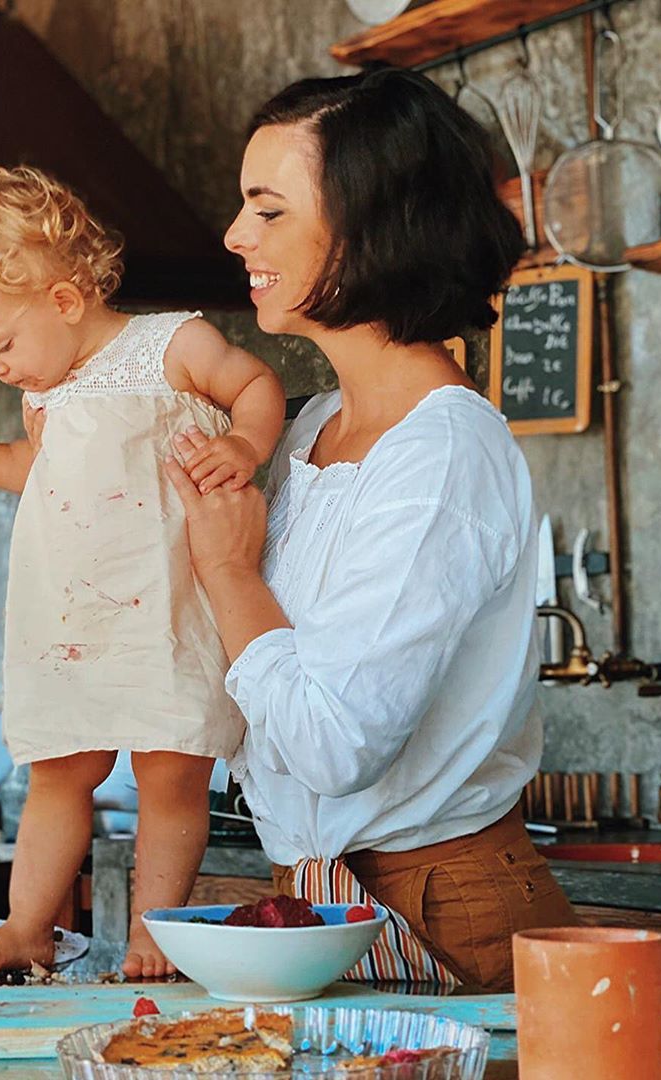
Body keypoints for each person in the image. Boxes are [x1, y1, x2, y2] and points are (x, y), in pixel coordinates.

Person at [165, 67, 577, 991]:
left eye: (268, 211)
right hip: (318, 899)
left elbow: (335, 744)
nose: (236, 235)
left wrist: (231, 573)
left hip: (445, 908)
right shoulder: (310, 429)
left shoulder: (441, 457)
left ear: (370, 227)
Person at [0, 165, 286, 980]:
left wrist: (244, 445)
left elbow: (255, 381)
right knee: (58, 773)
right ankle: (26, 924)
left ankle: (155, 930)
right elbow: (42, 476)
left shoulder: (171, 345)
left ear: (63, 298)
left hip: (165, 614)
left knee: (169, 775)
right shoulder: (44, 399)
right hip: (72, 623)